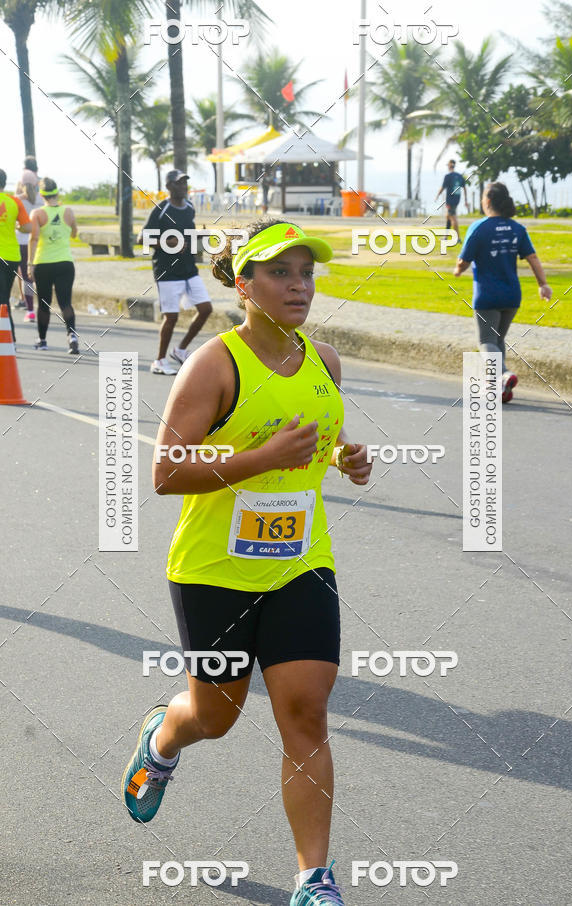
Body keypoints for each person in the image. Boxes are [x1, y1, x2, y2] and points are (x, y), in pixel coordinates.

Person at [121, 218, 373, 905]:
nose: (300, 285)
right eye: (281, 273)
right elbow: (167, 472)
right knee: (216, 716)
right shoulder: (216, 364)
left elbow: (318, 437)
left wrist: (349, 456)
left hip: (301, 565)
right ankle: (164, 739)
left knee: (306, 716)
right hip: (213, 572)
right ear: (244, 284)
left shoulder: (325, 359)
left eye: (306, 272)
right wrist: (260, 460)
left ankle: (313, 880)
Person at [453, 182, 552, 403]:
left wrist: (457, 270)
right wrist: (543, 284)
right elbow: (533, 258)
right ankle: (498, 388)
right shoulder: (517, 229)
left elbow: (464, 260)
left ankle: (503, 375)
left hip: (487, 296)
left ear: (487, 201)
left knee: (486, 341)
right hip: (512, 296)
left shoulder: (478, 228)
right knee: (498, 340)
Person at [139, 169, 212, 375]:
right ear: (169, 186)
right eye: (179, 183)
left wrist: (199, 236)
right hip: (167, 271)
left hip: (189, 268)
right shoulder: (160, 209)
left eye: (185, 183)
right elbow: (141, 239)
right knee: (171, 317)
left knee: (206, 309)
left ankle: (180, 350)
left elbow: (186, 235)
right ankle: (159, 360)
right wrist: (166, 242)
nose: (184, 187)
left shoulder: (189, 207)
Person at [28, 177, 79, 354]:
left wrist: (30, 264)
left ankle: (42, 340)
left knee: (44, 304)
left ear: (41, 194)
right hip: (65, 262)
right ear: (57, 192)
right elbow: (74, 233)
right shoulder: (69, 211)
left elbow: (33, 239)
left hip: (43, 263)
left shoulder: (37, 214)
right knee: (65, 302)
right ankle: (72, 336)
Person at [0, 168, 32, 342]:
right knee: (3, 295)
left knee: (2, 299)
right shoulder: (14, 201)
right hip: (12, 256)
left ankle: (9, 339)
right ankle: (8, 338)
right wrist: (15, 226)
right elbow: (27, 227)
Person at [15, 180, 41, 321]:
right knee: (34, 277)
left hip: (22, 242)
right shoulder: (41, 199)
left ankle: (30, 310)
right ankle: (39, 307)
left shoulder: (17, 200)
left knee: (25, 277)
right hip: (39, 243)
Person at [436, 159, 467, 237]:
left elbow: (442, 188)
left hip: (450, 200)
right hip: (457, 199)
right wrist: (465, 200)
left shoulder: (448, 176)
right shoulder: (460, 176)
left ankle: (458, 237)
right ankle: (446, 236)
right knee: (448, 216)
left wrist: (437, 195)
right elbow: (464, 188)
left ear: (449, 166)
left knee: (452, 217)